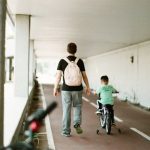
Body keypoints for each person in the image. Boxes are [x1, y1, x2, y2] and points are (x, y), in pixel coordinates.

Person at [53, 42, 91, 137]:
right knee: (77, 106)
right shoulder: (80, 61)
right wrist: (88, 87)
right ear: (75, 50)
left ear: (67, 50)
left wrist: (55, 88)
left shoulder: (62, 61)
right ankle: (77, 123)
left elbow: (58, 76)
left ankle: (66, 131)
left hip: (66, 89)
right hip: (78, 89)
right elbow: (84, 76)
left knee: (66, 109)